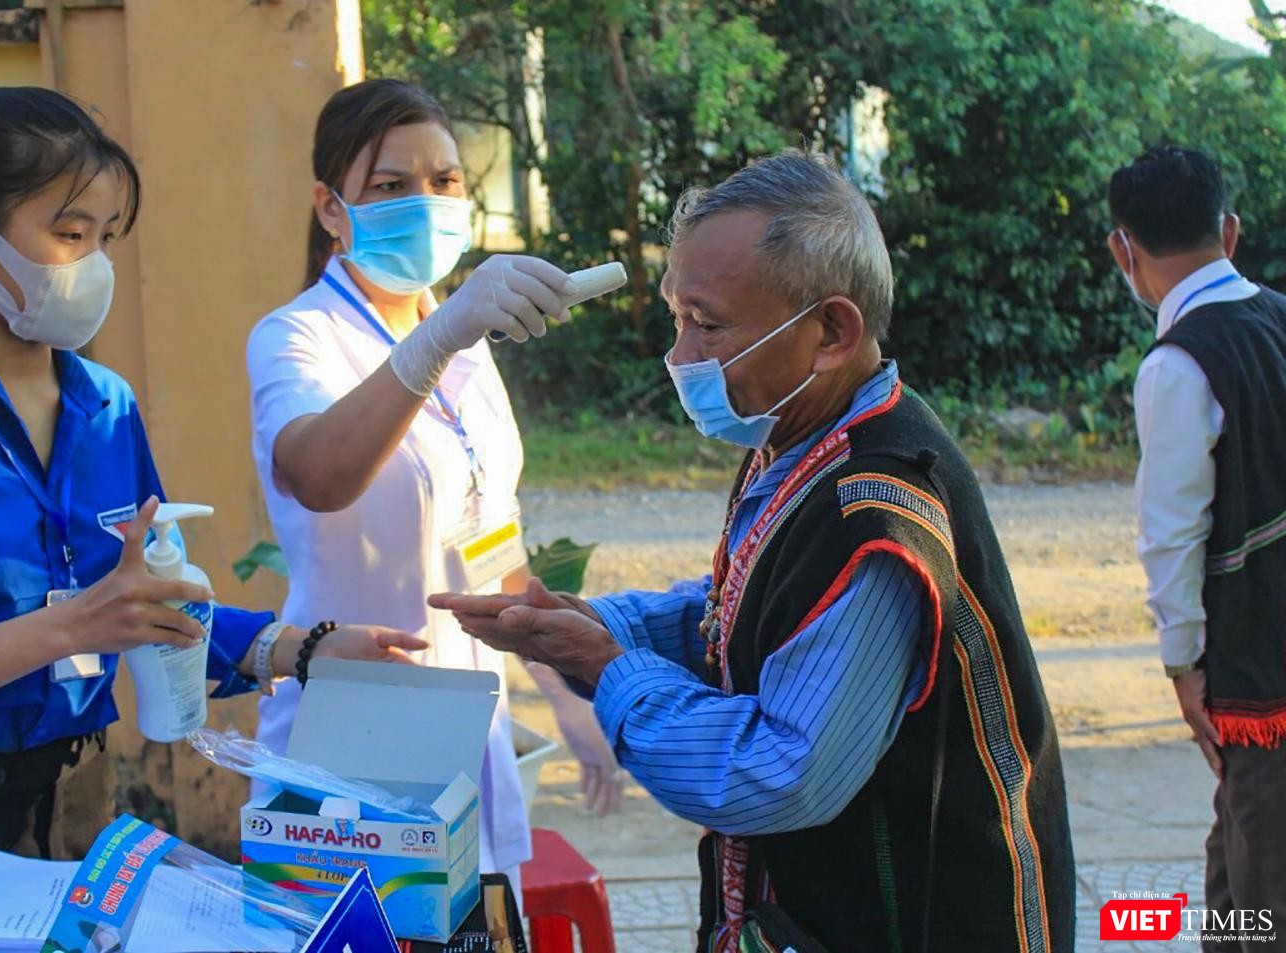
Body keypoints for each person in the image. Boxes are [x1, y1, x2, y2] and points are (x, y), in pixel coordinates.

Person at [0, 86, 424, 952]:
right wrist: (68, 626)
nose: (93, 263)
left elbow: (148, 601)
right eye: (68, 232)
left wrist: (300, 649)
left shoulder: (106, 408)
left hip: (84, 805)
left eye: (105, 237)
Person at [433, 152, 1076, 952]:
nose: (682, 354)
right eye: (677, 317)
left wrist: (608, 667)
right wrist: (598, 622)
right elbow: (742, 609)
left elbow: (779, 773)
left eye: (707, 323)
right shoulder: (798, 436)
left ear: (831, 331)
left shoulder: (876, 508)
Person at [244, 79, 624, 892]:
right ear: (329, 207)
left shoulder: (470, 342)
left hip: (464, 729)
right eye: (390, 185)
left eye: (445, 181)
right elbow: (318, 474)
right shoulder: (296, 338)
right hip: (352, 733)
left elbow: (490, 535)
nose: (426, 202)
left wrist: (563, 691)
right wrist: (439, 335)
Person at [1108, 145, 1286, 948]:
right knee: (1239, 867)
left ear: (1125, 249)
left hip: (1260, 676)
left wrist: (1182, 666)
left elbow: (1171, 533)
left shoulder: (1178, 362)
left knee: (1262, 890)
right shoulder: (1278, 317)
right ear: (1231, 230)